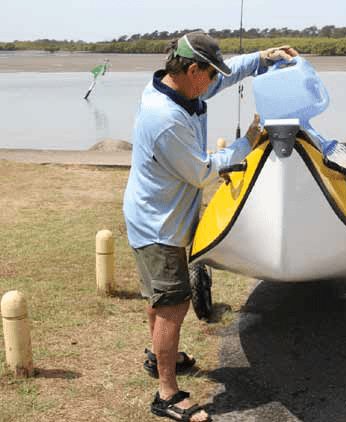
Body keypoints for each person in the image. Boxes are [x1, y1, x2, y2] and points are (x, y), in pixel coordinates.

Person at [122, 31, 298, 422]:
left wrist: (262, 58)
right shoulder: (165, 118)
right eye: (209, 73)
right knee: (172, 304)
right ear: (191, 69)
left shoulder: (182, 89)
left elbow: (228, 73)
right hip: (157, 225)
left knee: (160, 298)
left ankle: (158, 357)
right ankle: (166, 394)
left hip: (159, 213)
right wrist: (248, 142)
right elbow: (203, 172)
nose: (214, 81)